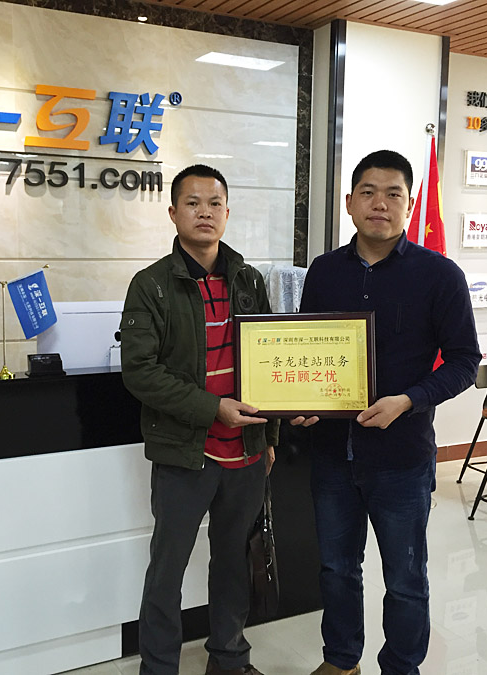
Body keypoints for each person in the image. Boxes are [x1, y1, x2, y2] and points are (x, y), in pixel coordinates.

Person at [295, 150, 481, 675]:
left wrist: (409, 400)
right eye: (369, 192)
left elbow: (465, 361)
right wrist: (302, 405)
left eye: (393, 193)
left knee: (404, 577)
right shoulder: (324, 271)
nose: (380, 203)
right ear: (349, 203)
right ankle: (341, 661)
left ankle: (401, 666)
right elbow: (306, 348)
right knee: (336, 569)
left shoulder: (439, 275)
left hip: (401, 457)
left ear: (410, 204)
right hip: (333, 453)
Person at [120, 164, 280, 675]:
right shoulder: (151, 285)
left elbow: (269, 360)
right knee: (167, 571)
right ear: (173, 213)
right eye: (192, 203)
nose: (204, 212)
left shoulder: (248, 280)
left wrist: (270, 437)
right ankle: (159, 668)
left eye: (214, 203)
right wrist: (213, 408)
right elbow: (140, 372)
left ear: (227, 213)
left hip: (246, 453)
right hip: (185, 452)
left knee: (233, 561)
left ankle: (229, 659)